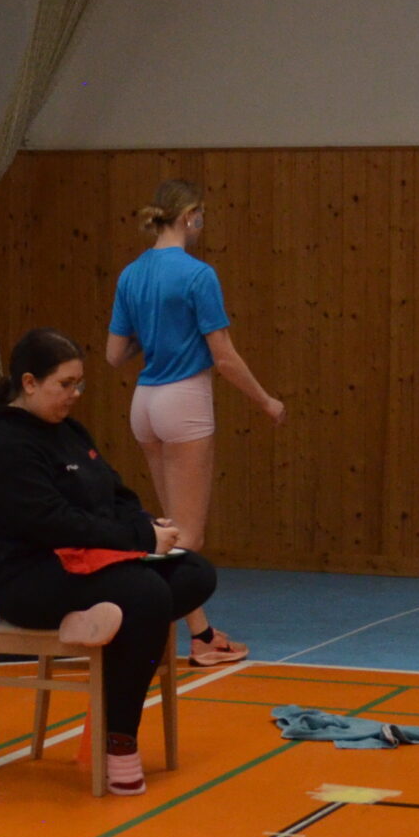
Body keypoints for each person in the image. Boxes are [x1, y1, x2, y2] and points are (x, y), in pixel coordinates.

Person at [0, 328, 218, 796]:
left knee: (194, 573)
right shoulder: (7, 443)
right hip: (30, 579)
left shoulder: (70, 432)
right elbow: (55, 523)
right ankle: (118, 739)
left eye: (79, 384)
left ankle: (99, 627)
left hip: (88, 564)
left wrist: (149, 527)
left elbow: (114, 494)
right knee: (147, 596)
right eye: (64, 384)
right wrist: (138, 539)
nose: (75, 394)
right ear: (29, 383)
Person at [105, 180, 284, 669]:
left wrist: (153, 333)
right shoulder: (198, 275)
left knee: (170, 529)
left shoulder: (131, 274)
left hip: (144, 403)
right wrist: (266, 401)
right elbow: (223, 356)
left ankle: (201, 633)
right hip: (184, 401)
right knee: (188, 538)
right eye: (200, 215)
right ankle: (149, 631)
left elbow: (115, 354)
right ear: (188, 216)